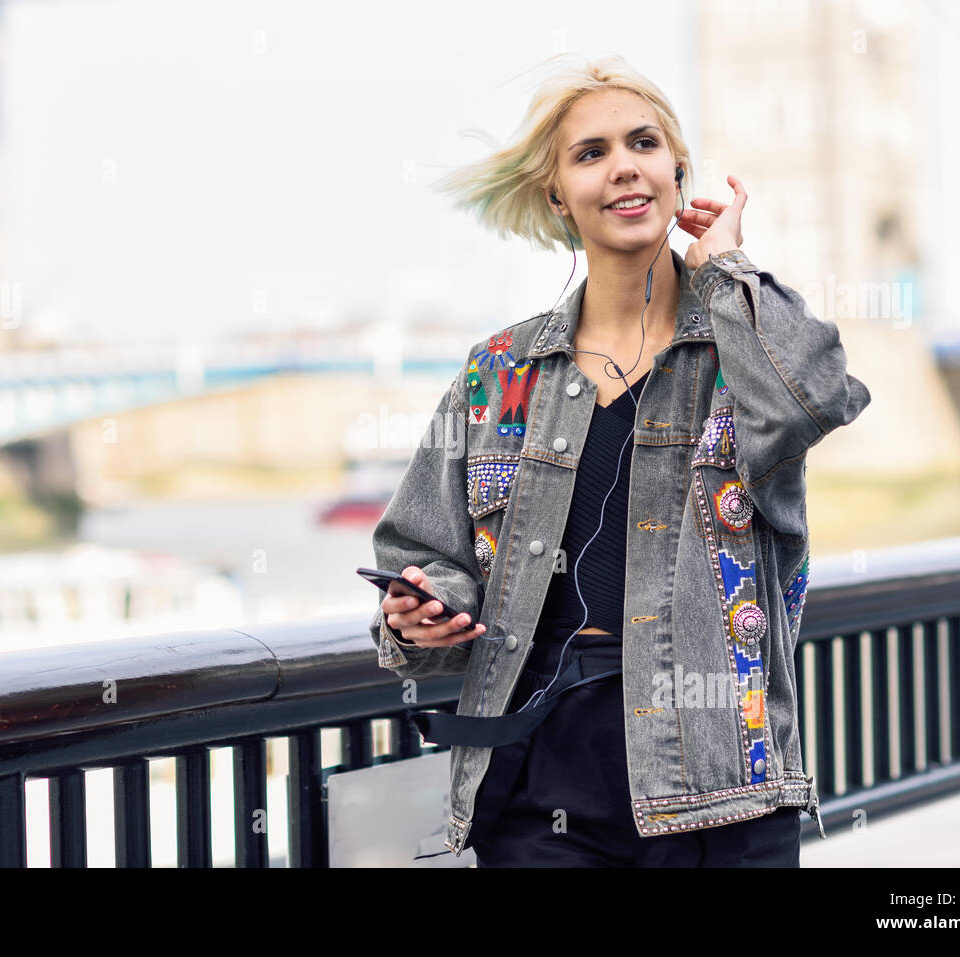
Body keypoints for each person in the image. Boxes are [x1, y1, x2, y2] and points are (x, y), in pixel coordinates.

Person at [368, 54, 871, 866]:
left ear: (679, 173)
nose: (624, 166)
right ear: (556, 195)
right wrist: (426, 609)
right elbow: (426, 554)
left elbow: (816, 397)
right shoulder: (497, 373)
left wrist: (726, 266)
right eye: (590, 152)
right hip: (537, 779)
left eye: (643, 143)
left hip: (718, 788)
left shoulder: (741, 351)